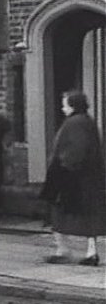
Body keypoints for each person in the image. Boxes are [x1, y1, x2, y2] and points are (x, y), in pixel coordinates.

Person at [40, 90, 106, 266]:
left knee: (57, 211)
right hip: (87, 178)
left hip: (71, 177)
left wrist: (63, 165)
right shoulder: (87, 121)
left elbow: (76, 150)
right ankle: (91, 252)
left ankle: (63, 250)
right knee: (89, 215)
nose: (63, 108)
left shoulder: (75, 123)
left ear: (73, 105)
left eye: (65, 104)